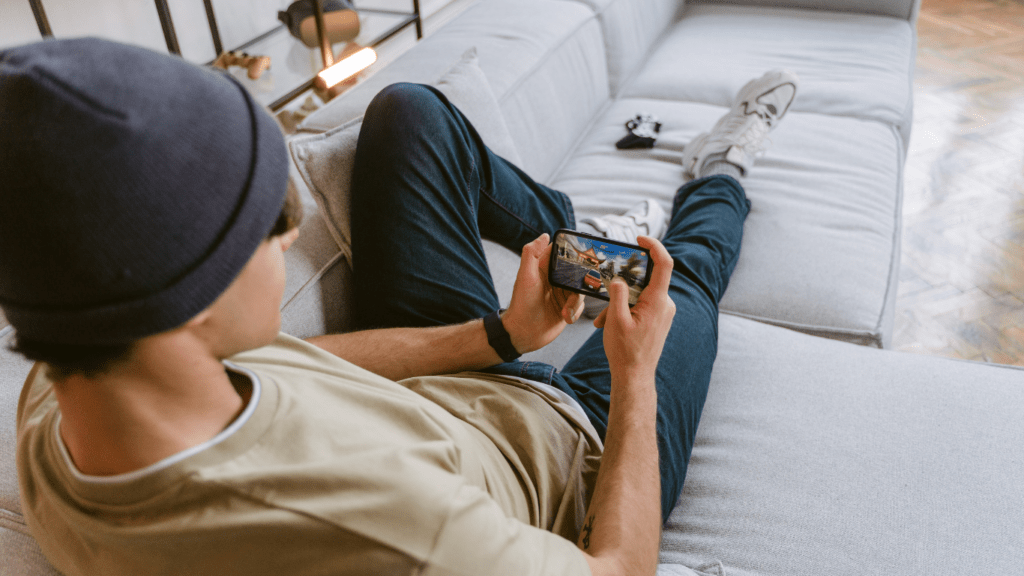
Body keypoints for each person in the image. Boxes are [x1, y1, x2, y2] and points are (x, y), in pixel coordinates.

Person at [1, 37, 796, 576]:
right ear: (189, 303)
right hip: (572, 453)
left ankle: (574, 237)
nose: (294, 234)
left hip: (441, 398)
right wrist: (636, 375)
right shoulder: (389, 528)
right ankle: (721, 171)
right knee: (680, 287)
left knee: (411, 113)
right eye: (269, 227)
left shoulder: (70, 383)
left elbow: (298, 363)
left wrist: (499, 335)